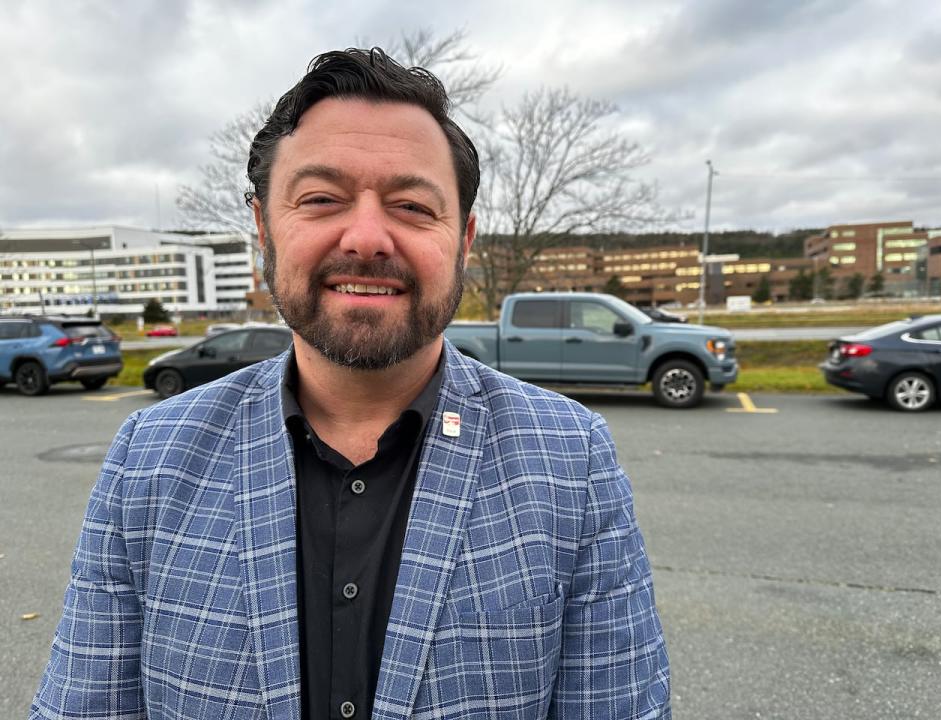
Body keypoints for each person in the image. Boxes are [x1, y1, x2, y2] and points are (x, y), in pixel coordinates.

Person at [32, 48, 670, 719]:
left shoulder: (572, 459)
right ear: (263, 228)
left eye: (413, 206)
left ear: (464, 239)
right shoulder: (150, 457)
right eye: (321, 199)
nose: (367, 237)